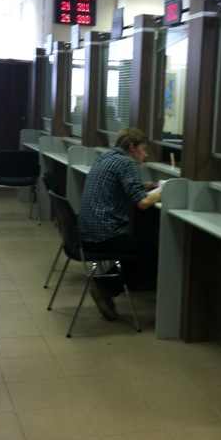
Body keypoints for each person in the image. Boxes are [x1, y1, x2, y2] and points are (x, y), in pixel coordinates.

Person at [78, 127, 163, 320]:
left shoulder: (105, 157)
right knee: (151, 255)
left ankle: (111, 283)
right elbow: (143, 203)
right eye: (143, 149)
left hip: (86, 232)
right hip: (103, 235)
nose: (145, 155)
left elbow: (123, 185)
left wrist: (148, 186)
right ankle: (105, 286)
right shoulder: (127, 162)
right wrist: (164, 191)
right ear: (132, 147)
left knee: (139, 247)